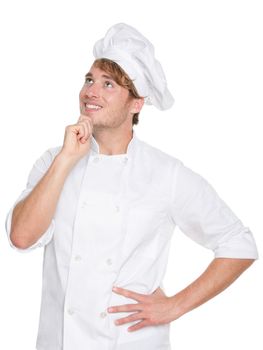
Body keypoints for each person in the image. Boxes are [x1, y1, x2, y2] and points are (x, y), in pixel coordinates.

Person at [6, 23, 258, 350]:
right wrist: (67, 159)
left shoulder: (165, 174)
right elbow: (21, 237)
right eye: (89, 80)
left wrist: (176, 305)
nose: (90, 92)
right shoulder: (54, 161)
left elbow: (239, 243)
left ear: (136, 103)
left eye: (108, 84)